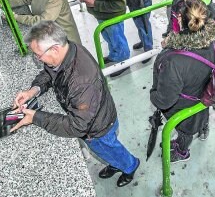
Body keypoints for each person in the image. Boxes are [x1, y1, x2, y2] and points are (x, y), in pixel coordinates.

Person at [10, 21, 140, 187]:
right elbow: (49, 72)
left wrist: (36, 117)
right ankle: (115, 163)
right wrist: (33, 90)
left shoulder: (81, 81)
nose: (37, 58)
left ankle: (130, 165)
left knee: (109, 148)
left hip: (98, 128)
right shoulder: (67, 50)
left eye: (38, 55)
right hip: (93, 116)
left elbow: (78, 126)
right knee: (106, 151)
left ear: (54, 49)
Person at [150, 0, 215, 163]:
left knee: (185, 131)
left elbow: (165, 100)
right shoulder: (211, 42)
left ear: (180, 19)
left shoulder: (174, 61)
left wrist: (153, 95)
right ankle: (203, 129)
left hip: (185, 107)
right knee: (198, 120)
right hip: (202, 96)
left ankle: (182, 151)